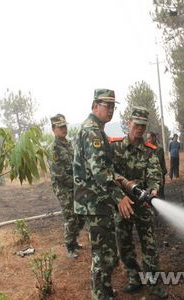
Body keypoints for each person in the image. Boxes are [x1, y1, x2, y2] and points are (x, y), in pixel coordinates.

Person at [73, 89, 133, 300]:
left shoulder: (97, 130)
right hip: (94, 203)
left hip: (97, 201)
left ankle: (105, 290)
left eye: (113, 106)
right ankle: (100, 295)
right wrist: (119, 197)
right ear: (94, 105)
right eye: (106, 105)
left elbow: (102, 168)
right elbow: (98, 172)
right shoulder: (92, 131)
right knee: (102, 254)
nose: (110, 110)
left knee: (107, 252)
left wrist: (121, 180)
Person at [110, 107, 168, 299]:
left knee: (149, 245)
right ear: (129, 123)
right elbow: (108, 173)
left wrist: (153, 190)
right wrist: (122, 192)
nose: (140, 129)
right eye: (137, 125)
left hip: (143, 206)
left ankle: (154, 284)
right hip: (123, 204)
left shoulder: (151, 151)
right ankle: (134, 278)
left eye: (143, 126)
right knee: (124, 243)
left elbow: (154, 174)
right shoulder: (116, 147)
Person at [48, 114, 85, 259]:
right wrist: (78, 183)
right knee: (70, 217)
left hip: (75, 185)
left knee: (80, 215)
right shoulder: (54, 149)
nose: (64, 129)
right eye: (60, 127)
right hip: (64, 189)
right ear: (53, 129)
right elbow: (60, 175)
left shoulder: (70, 144)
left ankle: (74, 241)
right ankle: (69, 246)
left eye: (65, 126)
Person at [146, 131, 167, 198]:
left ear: (154, 138)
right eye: (147, 139)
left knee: (160, 194)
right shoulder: (148, 149)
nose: (148, 140)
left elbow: (157, 161)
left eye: (149, 138)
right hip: (151, 176)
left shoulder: (159, 149)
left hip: (159, 175)